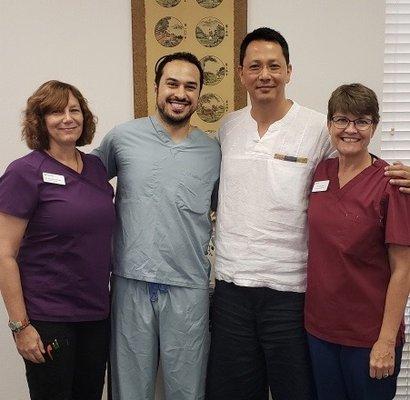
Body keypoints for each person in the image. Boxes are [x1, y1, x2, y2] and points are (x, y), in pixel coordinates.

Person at [206, 27, 410, 400]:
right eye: (254, 66)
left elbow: (358, 167)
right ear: (240, 73)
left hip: (291, 293)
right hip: (232, 290)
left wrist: (400, 176)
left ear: (288, 71)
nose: (264, 74)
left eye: (273, 65)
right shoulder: (229, 127)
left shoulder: (317, 127)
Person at [93, 52, 220, 400]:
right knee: (129, 390)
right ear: (156, 87)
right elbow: (80, 182)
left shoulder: (213, 152)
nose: (180, 93)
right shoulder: (122, 139)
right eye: (172, 83)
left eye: (190, 87)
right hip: (130, 281)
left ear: (198, 94)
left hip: (188, 286)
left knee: (188, 390)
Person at [0, 80, 115, 400]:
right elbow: (4, 253)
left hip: (95, 315)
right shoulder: (25, 172)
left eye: (74, 110)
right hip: (48, 318)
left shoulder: (95, 167)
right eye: (55, 111)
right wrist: (20, 327)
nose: (67, 118)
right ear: (40, 120)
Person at [305, 83, 410, 400]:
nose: (350, 129)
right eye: (341, 120)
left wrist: (386, 340)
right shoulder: (320, 172)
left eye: (361, 121)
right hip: (319, 331)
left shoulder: (391, 183)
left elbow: (403, 270)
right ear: (329, 124)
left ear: (374, 126)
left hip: (368, 337)